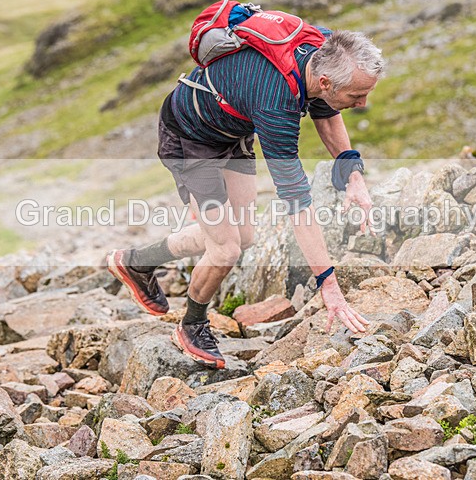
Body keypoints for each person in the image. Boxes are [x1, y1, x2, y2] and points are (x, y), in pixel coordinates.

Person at [107, 27, 384, 369]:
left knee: (244, 235)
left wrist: (353, 176)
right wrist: (328, 285)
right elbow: (296, 201)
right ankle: (192, 324)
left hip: (232, 129)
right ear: (325, 82)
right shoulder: (276, 103)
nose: (363, 104)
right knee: (226, 248)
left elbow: (326, 115)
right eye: (358, 95)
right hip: (189, 137)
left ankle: (137, 261)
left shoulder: (324, 49)